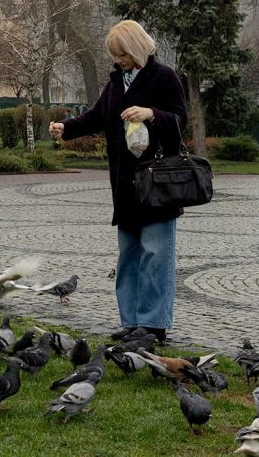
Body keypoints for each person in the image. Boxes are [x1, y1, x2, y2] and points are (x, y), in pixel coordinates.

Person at [49, 20, 187, 343]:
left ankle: (153, 326)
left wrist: (151, 114)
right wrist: (66, 129)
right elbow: (97, 117)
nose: (118, 61)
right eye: (115, 56)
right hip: (125, 186)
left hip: (158, 184)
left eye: (122, 54)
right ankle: (131, 321)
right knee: (129, 256)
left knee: (156, 255)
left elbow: (180, 119)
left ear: (136, 48)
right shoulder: (115, 84)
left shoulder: (165, 78)